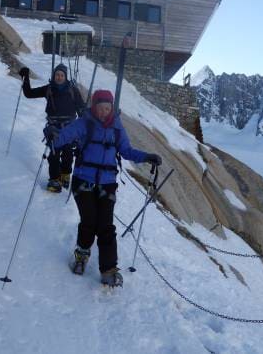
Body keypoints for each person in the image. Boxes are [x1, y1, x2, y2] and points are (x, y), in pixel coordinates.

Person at [44, 89, 162, 287]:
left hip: (107, 183)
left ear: (111, 108)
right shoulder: (84, 122)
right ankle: (81, 256)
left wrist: (147, 157)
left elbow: (126, 151)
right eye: (100, 108)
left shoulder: (117, 128)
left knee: (106, 226)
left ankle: (108, 269)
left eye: (107, 108)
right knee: (89, 221)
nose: (103, 112)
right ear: (94, 106)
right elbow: (66, 135)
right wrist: (53, 135)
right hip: (83, 181)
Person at [19, 64, 85, 193]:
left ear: (65, 77)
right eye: (57, 75)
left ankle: (65, 174)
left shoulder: (73, 90)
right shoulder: (49, 89)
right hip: (53, 128)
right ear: (54, 76)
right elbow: (29, 93)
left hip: (69, 128)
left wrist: (86, 118)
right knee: (54, 154)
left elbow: (81, 108)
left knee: (68, 153)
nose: (59, 77)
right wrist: (25, 77)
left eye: (61, 75)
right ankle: (54, 179)